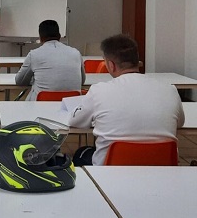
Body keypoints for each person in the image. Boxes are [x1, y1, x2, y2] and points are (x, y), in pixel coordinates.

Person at [69, 34, 185, 166]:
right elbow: (179, 123)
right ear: (137, 61)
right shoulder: (169, 89)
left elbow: (75, 121)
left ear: (111, 65)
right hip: (161, 168)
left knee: (82, 153)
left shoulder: (99, 91)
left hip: (111, 172)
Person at [15, 19, 85, 101]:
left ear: (40, 38)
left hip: (41, 107)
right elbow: (82, 80)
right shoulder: (76, 53)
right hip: (69, 106)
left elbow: (20, 81)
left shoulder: (34, 54)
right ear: (59, 36)